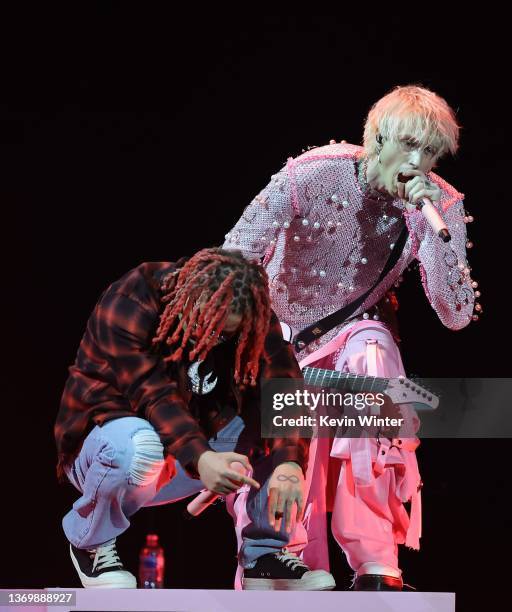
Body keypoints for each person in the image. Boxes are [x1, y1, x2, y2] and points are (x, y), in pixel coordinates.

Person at [222, 85, 479, 590]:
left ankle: (375, 556)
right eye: (410, 145)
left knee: (373, 345)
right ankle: (284, 550)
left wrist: (433, 230)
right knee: (297, 411)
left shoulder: (439, 205)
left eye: (430, 151)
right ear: (377, 138)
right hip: (278, 341)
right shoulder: (312, 173)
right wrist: (256, 344)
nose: (419, 161)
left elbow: (456, 313)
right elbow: (235, 257)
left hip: (349, 346)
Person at [55, 247, 335, 591]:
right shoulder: (133, 297)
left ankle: (264, 557)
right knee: (140, 440)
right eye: (209, 326)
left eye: (226, 334)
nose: (214, 339)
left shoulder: (253, 316)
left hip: (188, 456)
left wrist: (289, 464)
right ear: (190, 299)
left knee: (286, 426)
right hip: (108, 452)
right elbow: (154, 395)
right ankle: (90, 542)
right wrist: (201, 457)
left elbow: (284, 386)